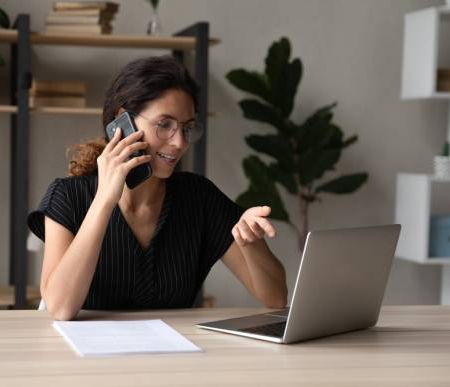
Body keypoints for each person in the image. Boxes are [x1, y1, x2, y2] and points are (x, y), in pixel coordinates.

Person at [28, 55, 287, 321]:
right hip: (86, 358)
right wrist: (104, 200)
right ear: (122, 121)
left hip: (172, 356)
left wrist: (252, 243)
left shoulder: (198, 198)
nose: (179, 142)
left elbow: (276, 298)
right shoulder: (69, 196)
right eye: (164, 125)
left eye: (187, 128)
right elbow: (60, 308)